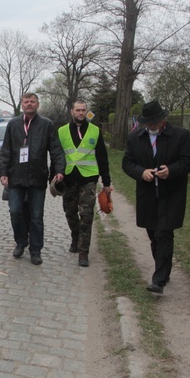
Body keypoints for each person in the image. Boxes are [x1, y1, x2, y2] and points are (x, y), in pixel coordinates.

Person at [122, 100, 190, 294]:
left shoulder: (180, 135)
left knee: (164, 233)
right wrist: (141, 172)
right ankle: (164, 269)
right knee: (153, 234)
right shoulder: (135, 138)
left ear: (164, 119)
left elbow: (187, 162)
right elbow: (127, 163)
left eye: (155, 122)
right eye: (148, 123)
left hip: (171, 194)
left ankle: (159, 280)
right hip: (148, 194)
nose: (152, 126)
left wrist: (170, 170)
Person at [0, 92, 66, 265]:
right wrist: (3, 172)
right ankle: (21, 241)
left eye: (32, 102)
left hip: (37, 177)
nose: (29, 104)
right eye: (26, 101)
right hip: (16, 177)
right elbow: (6, 150)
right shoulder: (13, 124)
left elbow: (56, 150)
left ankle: (36, 250)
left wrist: (59, 170)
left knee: (36, 216)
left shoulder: (47, 124)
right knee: (15, 212)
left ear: (37, 104)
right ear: (22, 104)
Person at [58, 99, 112, 267]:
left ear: (86, 111)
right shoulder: (61, 131)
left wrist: (107, 182)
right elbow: (56, 156)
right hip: (68, 179)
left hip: (88, 179)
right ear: (72, 112)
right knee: (70, 213)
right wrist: (54, 175)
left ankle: (83, 251)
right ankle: (75, 236)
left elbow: (102, 157)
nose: (81, 113)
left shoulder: (95, 131)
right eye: (78, 110)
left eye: (83, 110)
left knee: (87, 215)